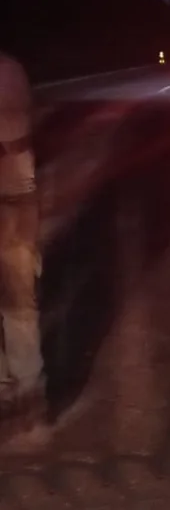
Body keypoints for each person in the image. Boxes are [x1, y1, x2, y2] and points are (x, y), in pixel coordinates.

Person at [0, 49, 45, 415]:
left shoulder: (7, 73)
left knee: (17, 299)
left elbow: (14, 138)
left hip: (13, 200)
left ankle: (28, 388)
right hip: (16, 198)